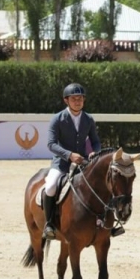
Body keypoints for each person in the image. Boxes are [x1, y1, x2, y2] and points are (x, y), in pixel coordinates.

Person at [43, 83, 101, 239]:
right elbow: (51, 144)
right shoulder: (57, 119)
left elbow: (95, 141)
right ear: (66, 100)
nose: (78, 101)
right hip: (61, 163)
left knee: (99, 185)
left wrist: (95, 151)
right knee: (50, 187)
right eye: (74, 99)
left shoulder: (88, 119)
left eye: (80, 98)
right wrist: (69, 155)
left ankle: (103, 221)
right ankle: (48, 223)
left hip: (82, 162)